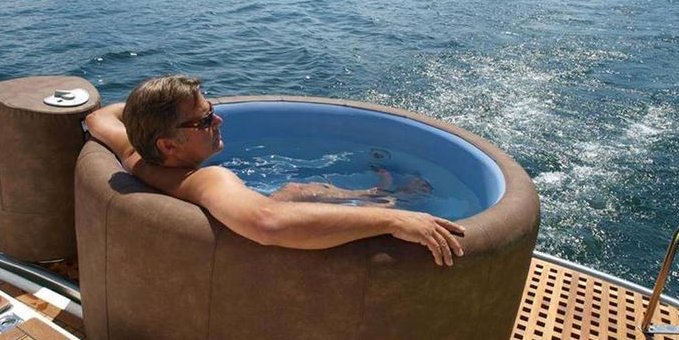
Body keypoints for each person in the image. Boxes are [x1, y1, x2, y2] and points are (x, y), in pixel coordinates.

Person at [85, 75, 466, 266]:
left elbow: (98, 115)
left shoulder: (134, 152)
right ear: (169, 145)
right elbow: (268, 223)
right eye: (203, 121)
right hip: (253, 256)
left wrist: (151, 109)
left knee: (298, 191)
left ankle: (374, 195)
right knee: (292, 200)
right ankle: (390, 201)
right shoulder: (206, 179)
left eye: (210, 108)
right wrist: (394, 224)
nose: (218, 118)